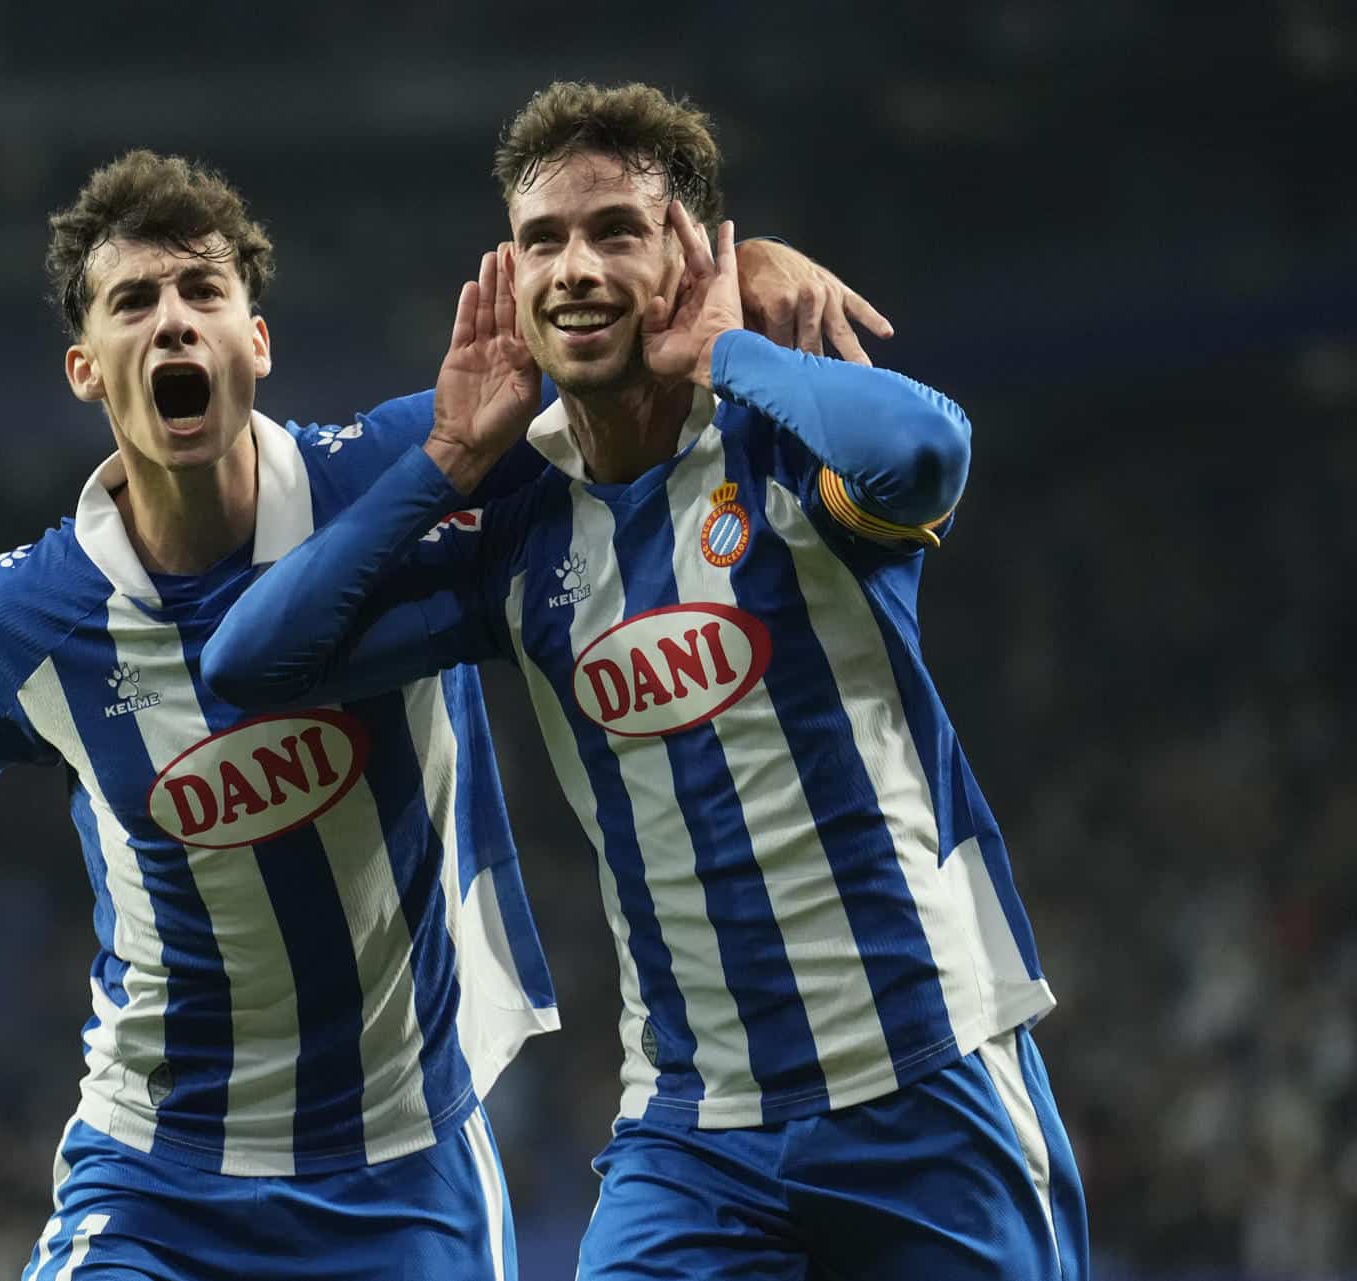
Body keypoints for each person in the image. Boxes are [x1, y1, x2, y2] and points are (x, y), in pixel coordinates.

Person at [0, 150, 892, 1280]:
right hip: (160, 1177)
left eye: (202, 292)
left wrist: (727, 281)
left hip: (403, 1169)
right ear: (84, 365)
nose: (173, 323)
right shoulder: (33, 613)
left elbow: (608, 391)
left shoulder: (403, 470)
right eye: (134, 302)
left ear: (256, 340)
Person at [202, 81, 1089, 1280]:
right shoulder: (517, 523)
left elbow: (926, 452)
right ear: (510, 281)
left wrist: (726, 346)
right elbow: (253, 664)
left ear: (687, 255)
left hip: (925, 1077)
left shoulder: (779, 444)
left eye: (616, 230)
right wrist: (449, 459)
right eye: (543, 241)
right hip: (693, 1133)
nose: (574, 267)